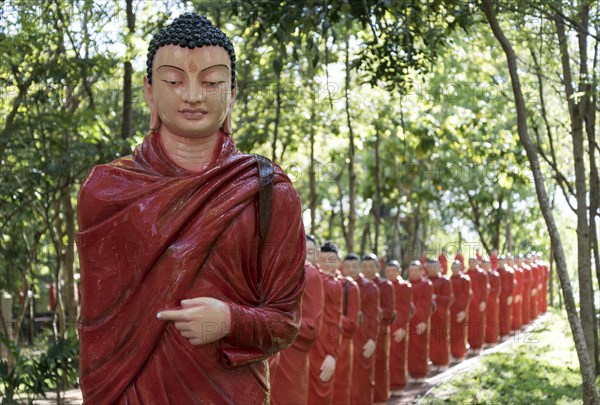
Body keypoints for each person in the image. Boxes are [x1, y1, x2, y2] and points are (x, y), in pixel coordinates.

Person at [76, 13, 306, 404]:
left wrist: (231, 320)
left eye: (212, 82)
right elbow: (99, 333)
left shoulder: (267, 191)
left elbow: (285, 322)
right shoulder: (107, 191)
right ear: (150, 92)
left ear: (232, 94)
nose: (193, 95)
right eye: (174, 81)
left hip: (230, 391)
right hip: (131, 391)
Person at [271, 235, 324, 405]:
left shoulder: (311, 274)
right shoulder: (282, 270)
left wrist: (281, 323)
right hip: (273, 346)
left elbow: (312, 326)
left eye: (310, 252)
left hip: (293, 348)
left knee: (289, 396)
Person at [308, 241, 343, 405]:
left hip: (323, 344)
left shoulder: (333, 283)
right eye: (323, 259)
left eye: (331, 259)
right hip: (305, 341)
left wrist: (331, 352)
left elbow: (334, 320)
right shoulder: (309, 277)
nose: (326, 263)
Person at [348, 254, 381, 405]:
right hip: (345, 339)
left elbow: (374, 315)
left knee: (363, 377)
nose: (351, 270)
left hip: (364, 337)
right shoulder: (341, 284)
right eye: (348, 267)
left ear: (358, 267)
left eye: (354, 267)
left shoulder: (370, 287)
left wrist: (373, 339)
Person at [363, 254, 396, 405]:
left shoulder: (386, 285)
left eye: (371, 266)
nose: (368, 270)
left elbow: (389, 312)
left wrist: (376, 316)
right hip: (361, 334)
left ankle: (381, 399)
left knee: (380, 367)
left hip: (380, 332)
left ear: (378, 267)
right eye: (365, 267)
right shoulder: (358, 284)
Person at [332, 254, 362, 405]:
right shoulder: (323, 281)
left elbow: (352, 322)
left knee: (342, 381)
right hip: (325, 340)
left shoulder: (350, 286)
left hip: (344, 340)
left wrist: (330, 318)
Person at [386, 260, 413, 395]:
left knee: (398, 357)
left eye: (394, 271)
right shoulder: (384, 286)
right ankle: (387, 384)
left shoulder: (404, 286)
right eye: (388, 271)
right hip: (386, 328)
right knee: (386, 358)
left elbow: (406, 309)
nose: (391, 274)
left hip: (399, 327)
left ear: (399, 271)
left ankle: (398, 385)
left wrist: (403, 327)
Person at [407, 261, 434, 382]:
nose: (413, 273)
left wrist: (424, 321)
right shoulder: (406, 285)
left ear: (420, 271)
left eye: (415, 271)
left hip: (421, 321)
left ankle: (421, 373)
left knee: (421, 347)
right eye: (411, 271)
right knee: (410, 348)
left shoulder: (426, 284)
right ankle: (411, 372)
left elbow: (427, 304)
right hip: (409, 321)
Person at [427, 259, 453, 371]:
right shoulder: (426, 281)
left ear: (439, 267)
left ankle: (443, 361)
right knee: (431, 339)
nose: (432, 269)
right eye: (430, 267)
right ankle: (433, 360)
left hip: (441, 314)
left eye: (434, 267)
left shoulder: (445, 281)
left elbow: (449, 298)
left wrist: (436, 297)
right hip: (429, 315)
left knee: (441, 338)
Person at [449, 260, 471, 362]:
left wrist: (464, 311)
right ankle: (453, 353)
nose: (455, 270)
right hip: (451, 311)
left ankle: (461, 353)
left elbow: (468, 296)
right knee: (452, 332)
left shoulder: (465, 279)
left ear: (460, 268)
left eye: (457, 267)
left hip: (461, 310)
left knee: (461, 332)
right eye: (453, 268)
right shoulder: (449, 280)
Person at [466, 257, 489, 354]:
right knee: (470, 325)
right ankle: (471, 345)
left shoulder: (482, 274)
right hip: (470, 304)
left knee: (479, 324)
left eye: (474, 262)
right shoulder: (465, 274)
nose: (472, 264)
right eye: (470, 262)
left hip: (479, 303)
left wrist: (483, 301)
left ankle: (479, 345)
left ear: (477, 263)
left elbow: (485, 288)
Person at [482, 259, 501, 346]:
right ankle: (483, 340)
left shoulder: (495, 275)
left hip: (492, 301)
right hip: (481, 302)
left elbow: (497, 289)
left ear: (490, 265)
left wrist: (488, 290)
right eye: (484, 265)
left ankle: (492, 339)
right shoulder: (480, 275)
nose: (485, 266)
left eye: (487, 264)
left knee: (492, 320)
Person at [496, 256, 515, 337]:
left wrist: (510, 295)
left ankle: (506, 331)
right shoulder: (496, 272)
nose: (501, 263)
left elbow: (512, 285)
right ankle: (499, 332)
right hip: (498, 297)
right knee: (499, 315)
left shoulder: (510, 271)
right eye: (499, 262)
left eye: (502, 261)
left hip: (507, 296)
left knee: (506, 314)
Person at [509, 254, 524, 331]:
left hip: (517, 294)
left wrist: (518, 294)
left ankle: (517, 327)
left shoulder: (518, 270)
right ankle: (511, 327)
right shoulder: (509, 271)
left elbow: (521, 284)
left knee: (517, 311)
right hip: (510, 295)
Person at [517, 254, 532, 325]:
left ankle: (526, 321)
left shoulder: (527, 268)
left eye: (520, 259)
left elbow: (529, 280)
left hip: (525, 291)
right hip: (518, 290)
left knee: (525, 306)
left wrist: (521, 281)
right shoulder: (516, 268)